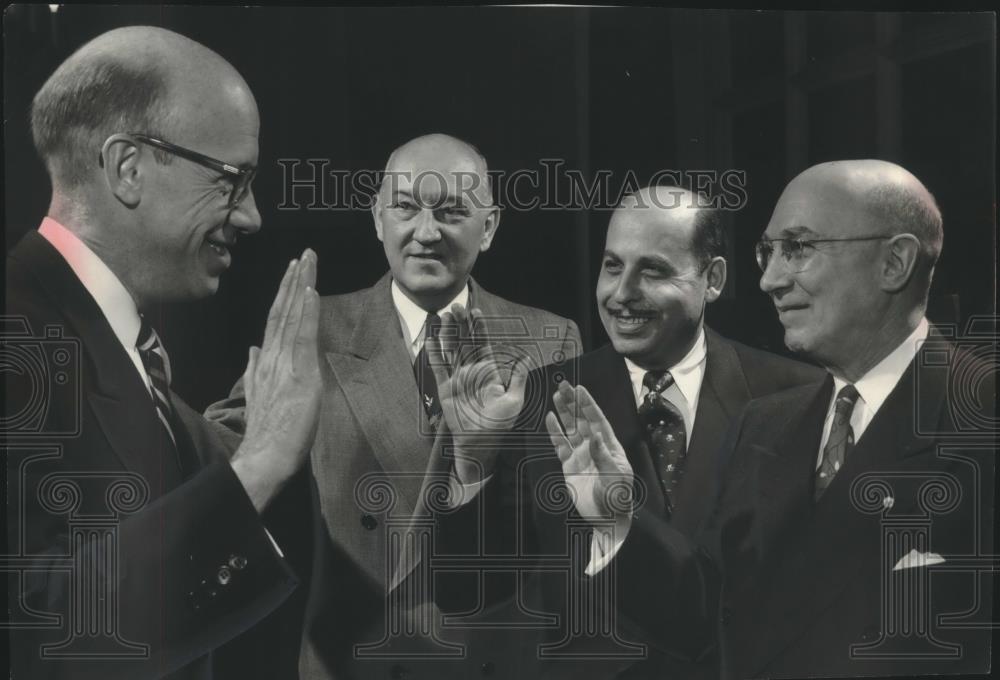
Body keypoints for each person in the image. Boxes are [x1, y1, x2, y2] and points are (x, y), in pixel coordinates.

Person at [553, 161, 994, 679]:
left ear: (894, 262)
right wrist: (619, 521)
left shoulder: (982, 415)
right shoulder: (763, 426)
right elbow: (707, 622)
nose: (770, 279)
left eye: (798, 248)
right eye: (769, 252)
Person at [4, 26, 322, 680]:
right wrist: (260, 462)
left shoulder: (100, 340)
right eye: (234, 179)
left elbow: (153, 479)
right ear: (128, 168)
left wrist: (259, 437)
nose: (253, 215)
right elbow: (47, 632)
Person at [206, 133, 581, 680]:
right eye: (406, 207)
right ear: (377, 219)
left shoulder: (549, 340)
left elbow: (568, 524)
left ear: (491, 226)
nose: (426, 233)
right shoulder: (315, 331)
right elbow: (222, 462)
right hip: (353, 660)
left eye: (452, 211)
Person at [434, 185, 821, 679]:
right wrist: (473, 464)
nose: (620, 294)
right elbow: (466, 594)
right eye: (612, 266)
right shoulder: (537, 399)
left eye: (652, 270)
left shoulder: (796, 397)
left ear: (714, 279)